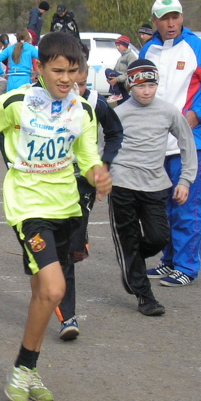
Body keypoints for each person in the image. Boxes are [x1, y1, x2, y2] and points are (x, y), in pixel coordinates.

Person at [0, 32, 111, 401]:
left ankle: (31, 368)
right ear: (38, 68)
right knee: (55, 289)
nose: (66, 79)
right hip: (28, 209)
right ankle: (23, 367)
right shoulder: (17, 102)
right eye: (58, 70)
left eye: (73, 72)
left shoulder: (83, 110)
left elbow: (87, 159)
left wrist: (98, 174)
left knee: (43, 291)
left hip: (67, 209)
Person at [141, 0, 201, 286]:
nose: (171, 24)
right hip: (157, 143)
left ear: (182, 17)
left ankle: (186, 265)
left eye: (175, 17)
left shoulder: (199, 49)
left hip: (190, 142)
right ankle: (169, 261)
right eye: (164, 18)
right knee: (163, 205)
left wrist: (199, 113)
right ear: (154, 21)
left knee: (187, 206)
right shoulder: (148, 49)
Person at [110, 59, 196, 316]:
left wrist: (185, 180)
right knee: (127, 239)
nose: (146, 91)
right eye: (140, 86)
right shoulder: (119, 113)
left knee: (160, 237)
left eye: (151, 85)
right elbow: (101, 145)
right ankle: (145, 296)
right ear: (131, 86)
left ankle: (131, 260)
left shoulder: (168, 111)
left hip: (155, 185)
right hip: (122, 184)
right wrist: (100, 177)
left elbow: (187, 143)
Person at [54, 59, 123, 341]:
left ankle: (66, 312)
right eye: (73, 82)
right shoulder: (40, 100)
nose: (76, 88)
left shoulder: (94, 103)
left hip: (83, 182)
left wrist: (103, 163)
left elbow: (115, 133)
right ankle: (67, 315)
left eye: (82, 84)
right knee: (60, 252)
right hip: (49, 183)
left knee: (69, 249)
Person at [106, 35, 137, 103]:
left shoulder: (131, 56)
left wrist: (117, 79)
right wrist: (111, 78)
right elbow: (115, 70)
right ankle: (116, 93)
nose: (117, 47)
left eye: (119, 45)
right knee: (108, 71)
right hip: (119, 83)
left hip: (125, 82)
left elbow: (131, 72)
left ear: (125, 45)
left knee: (124, 103)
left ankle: (117, 94)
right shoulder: (120, 58)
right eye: (116, 45)